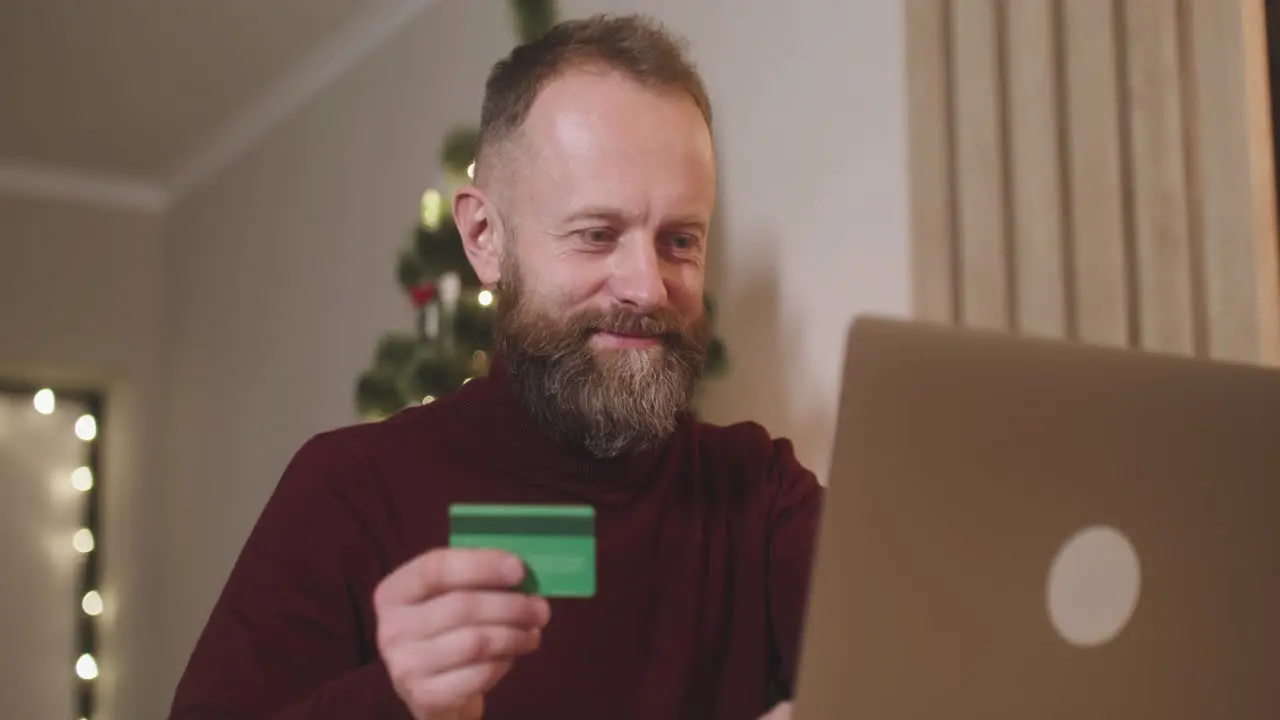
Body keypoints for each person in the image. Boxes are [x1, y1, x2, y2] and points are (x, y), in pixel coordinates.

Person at [168, 13, 822, 720]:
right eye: (597, 235)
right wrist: (395, 702)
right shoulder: (350, 489)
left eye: (680, 240)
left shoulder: (759, 494)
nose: (647, 286)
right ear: (484, 237)